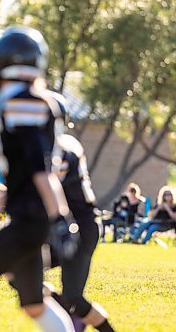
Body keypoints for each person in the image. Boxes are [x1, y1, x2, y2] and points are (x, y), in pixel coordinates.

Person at [0, 26, 77, 332]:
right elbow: (29, 170)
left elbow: (40, 168)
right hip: (30, 218)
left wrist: (60, 216)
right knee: (34, 305)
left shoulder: (23, 101)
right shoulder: (35, 99)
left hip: (28, 222)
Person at [49, 133, 116, 332]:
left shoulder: (60, 147)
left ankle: (73, 315)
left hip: (80, 227)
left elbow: (45, 184)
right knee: (18, 273)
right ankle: (69, 315)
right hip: (61, 226)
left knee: (73, 298)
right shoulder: (58, 143)